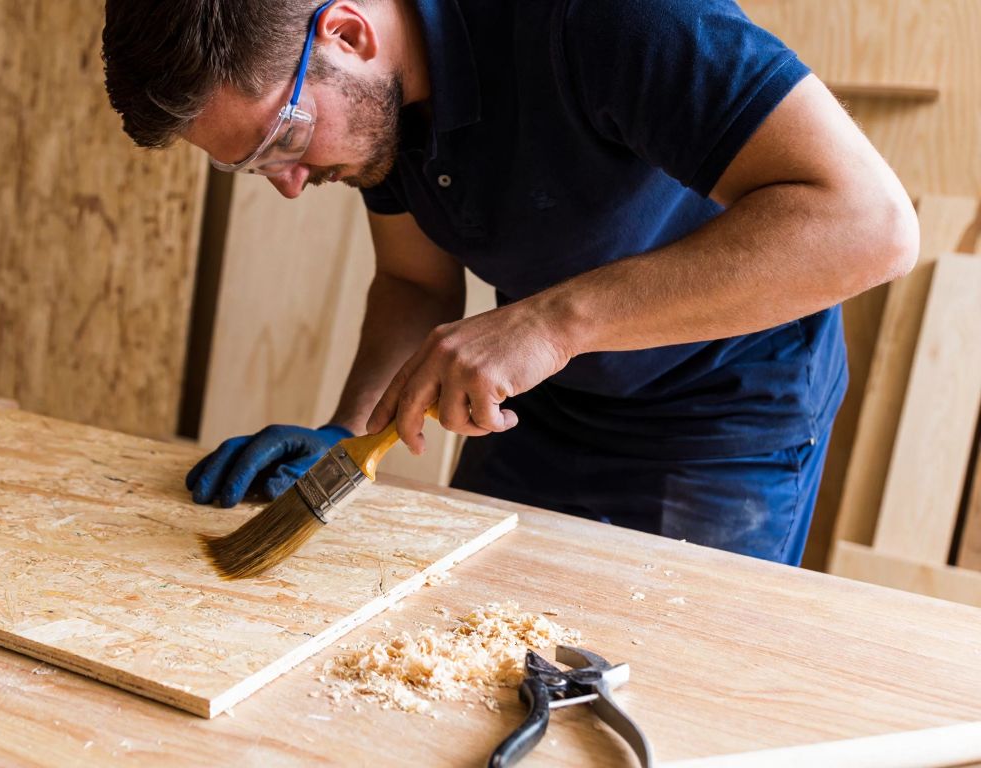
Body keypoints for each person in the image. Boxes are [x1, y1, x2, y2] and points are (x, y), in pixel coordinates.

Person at [101, 0, 917, 565]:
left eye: (284, 140)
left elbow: (871, 225)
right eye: (248, 164)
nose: (286, 182)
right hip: (544, 403)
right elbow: (415, 283)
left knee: (656, 692)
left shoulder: (608, 21)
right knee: (482, 658)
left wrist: (554, 323)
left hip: (723, 410)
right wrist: (346, 438)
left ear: (347, 33)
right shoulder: (377, 112)